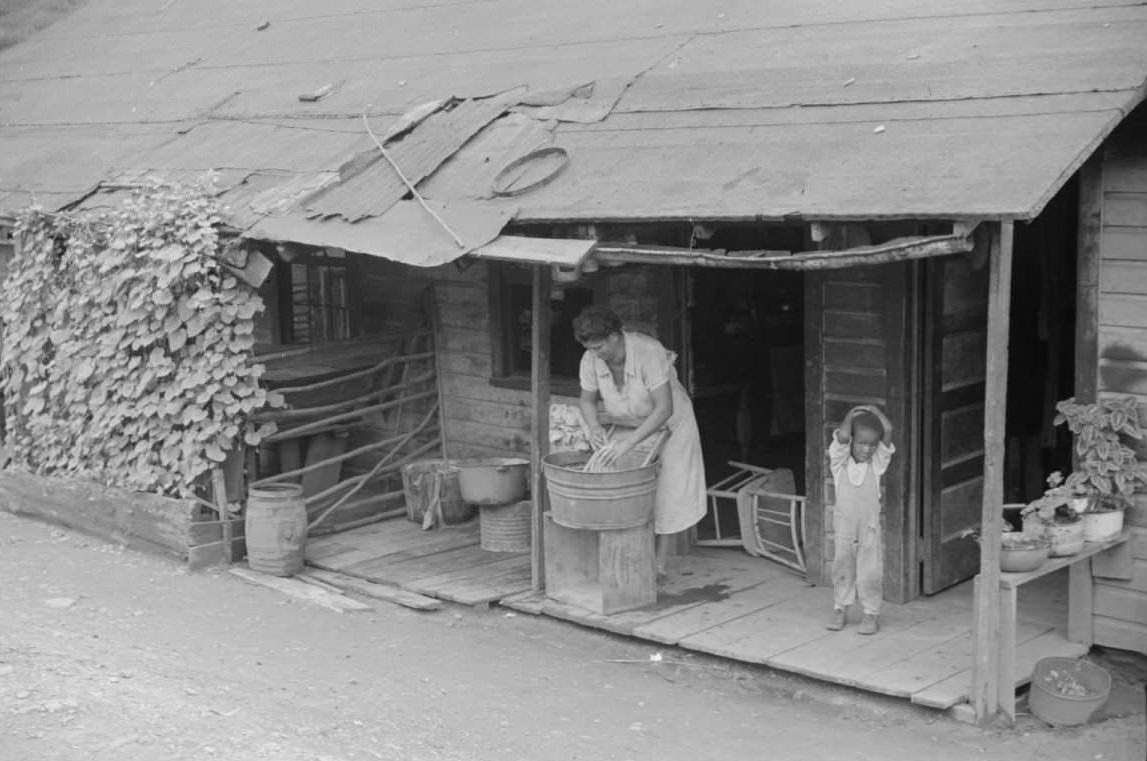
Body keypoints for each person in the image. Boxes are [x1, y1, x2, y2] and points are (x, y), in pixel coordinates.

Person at [573, 305, 706, 582]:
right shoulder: (590, 358)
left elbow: (663, 408)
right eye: (590, 349)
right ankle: (624, 554)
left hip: (671, 422)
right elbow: (587, 400)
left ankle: (658, 564)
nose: (595, 354)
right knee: (621, 483)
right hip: (629, 421)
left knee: (669, 489)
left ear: (614, 336)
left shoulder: (648, 351)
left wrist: (628, 444)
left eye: (599, 347)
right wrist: (595, 426)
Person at [826, 404, 895, 635]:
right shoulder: (839, 463)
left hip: (869, 526)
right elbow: (843, 435)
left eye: (872, 445)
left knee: (870, 568)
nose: (867, 449)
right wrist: (853, 412)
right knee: (842, 564)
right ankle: (840, 608)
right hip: (844, 525)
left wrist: (873, 410)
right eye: (862, 443)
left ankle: (871, 613)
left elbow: (888, 429)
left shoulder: (876, 465)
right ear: (853, 441)